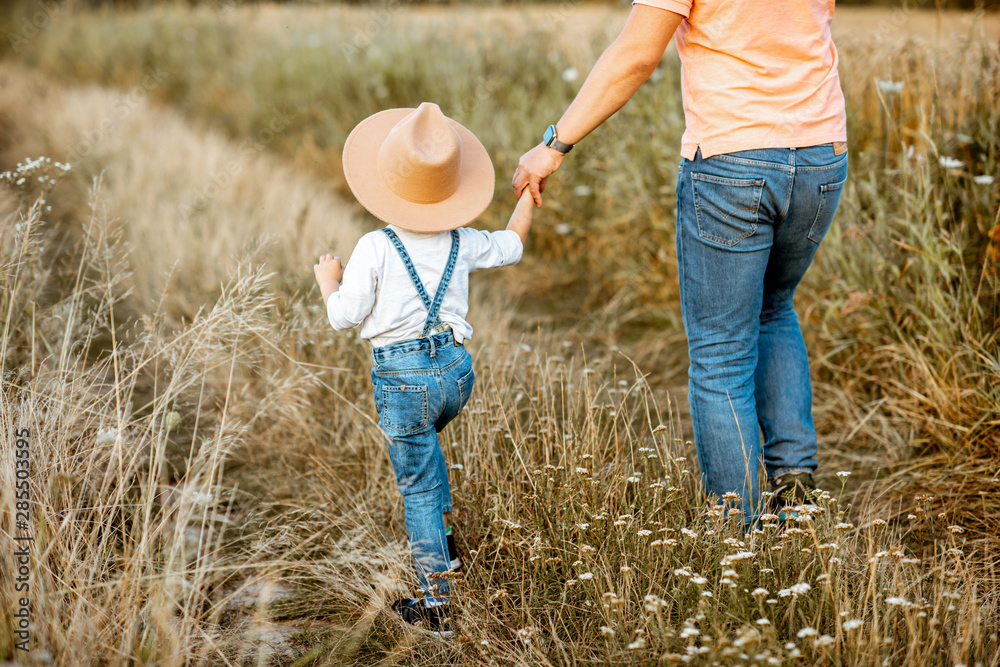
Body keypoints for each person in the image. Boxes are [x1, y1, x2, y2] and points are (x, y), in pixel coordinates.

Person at [512, 0, 848, 524]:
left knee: (720, 356)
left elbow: (636, 55)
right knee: (774, 309)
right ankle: (795, 490)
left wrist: (554, 145)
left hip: (733, 160)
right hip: (821, 154)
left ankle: (739, 534)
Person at [314, 102, 534, 634]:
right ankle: (446, 540)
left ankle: (436, 607)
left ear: (387, 182)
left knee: (415, 482)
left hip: (403, 377)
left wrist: (328, 278)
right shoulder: (460, 240)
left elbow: (344, 317)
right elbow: (513, 246)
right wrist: (529, 195)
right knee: (427, 453)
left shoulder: (374, 246)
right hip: (457, 374)